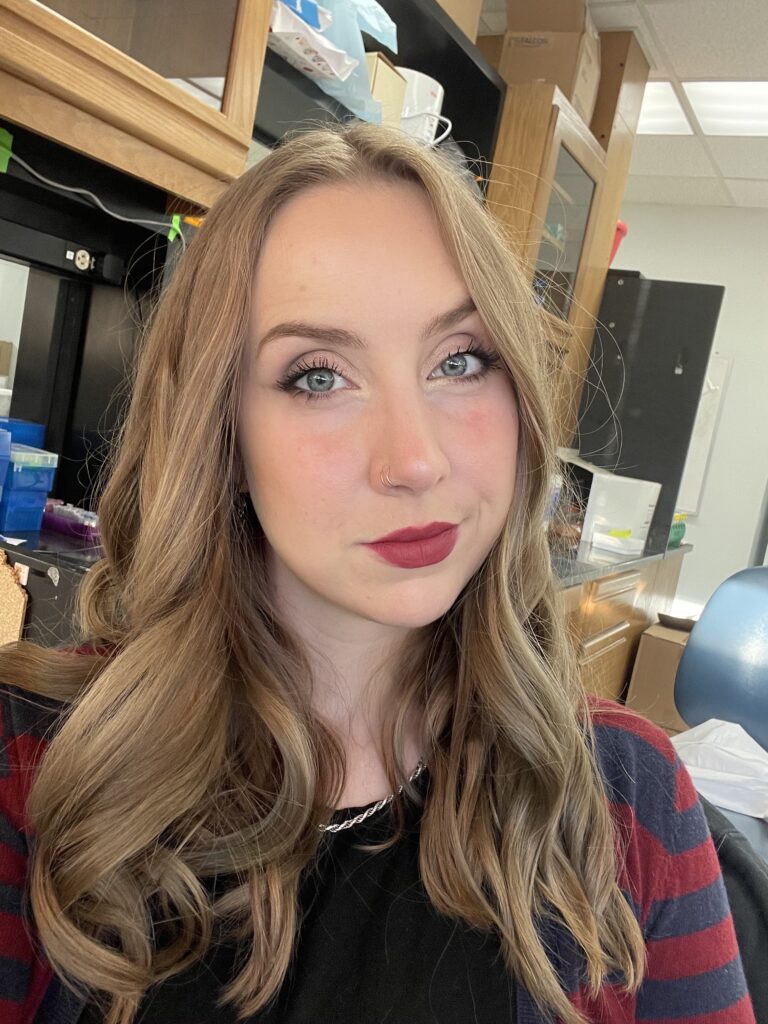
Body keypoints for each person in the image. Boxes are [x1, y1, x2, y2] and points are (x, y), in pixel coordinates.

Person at [0, 121, 755, 1024]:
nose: (415, 461)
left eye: (459, 361)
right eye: (319, 376)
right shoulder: (33, 763)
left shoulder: (630, 801)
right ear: (221, 433)